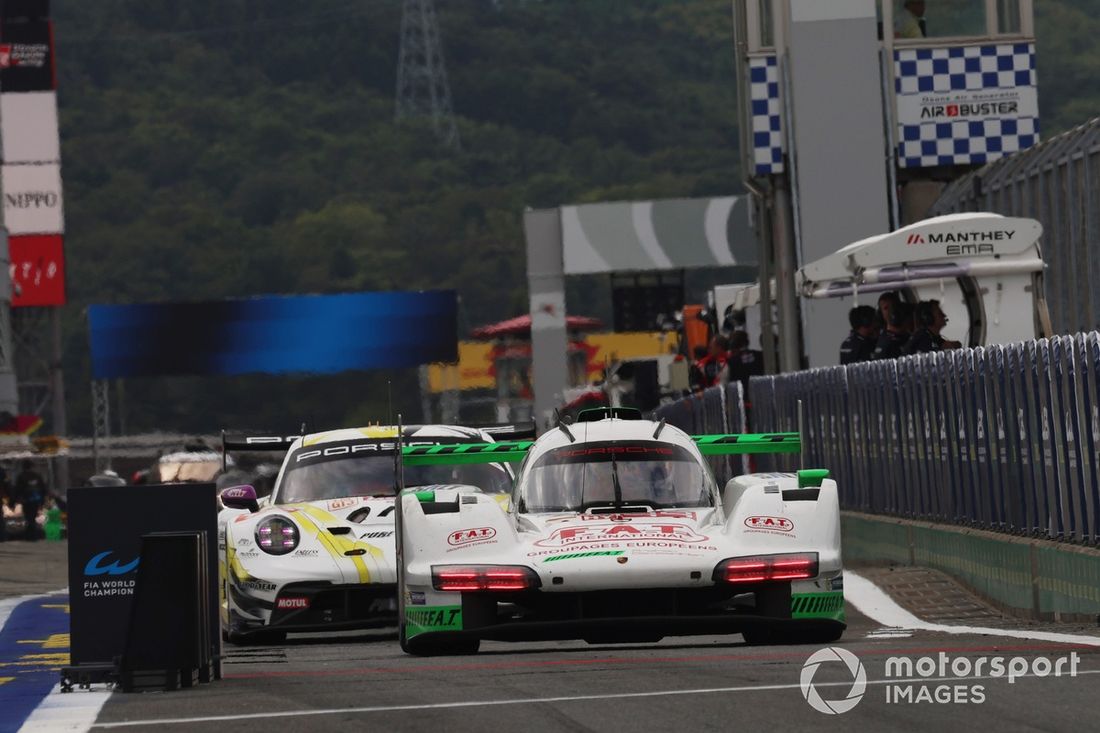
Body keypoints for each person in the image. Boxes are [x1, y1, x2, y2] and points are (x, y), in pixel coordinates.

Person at [14, 460, 46, 541]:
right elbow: (43, 489)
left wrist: (15, 500)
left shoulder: (21, 476)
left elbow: (17, 489)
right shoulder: (37, 476)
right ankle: (32, 536)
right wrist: (42, 501)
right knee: (32, 518)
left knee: (29, 518)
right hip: (36, 500)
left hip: (26, 501)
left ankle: (30, 536)